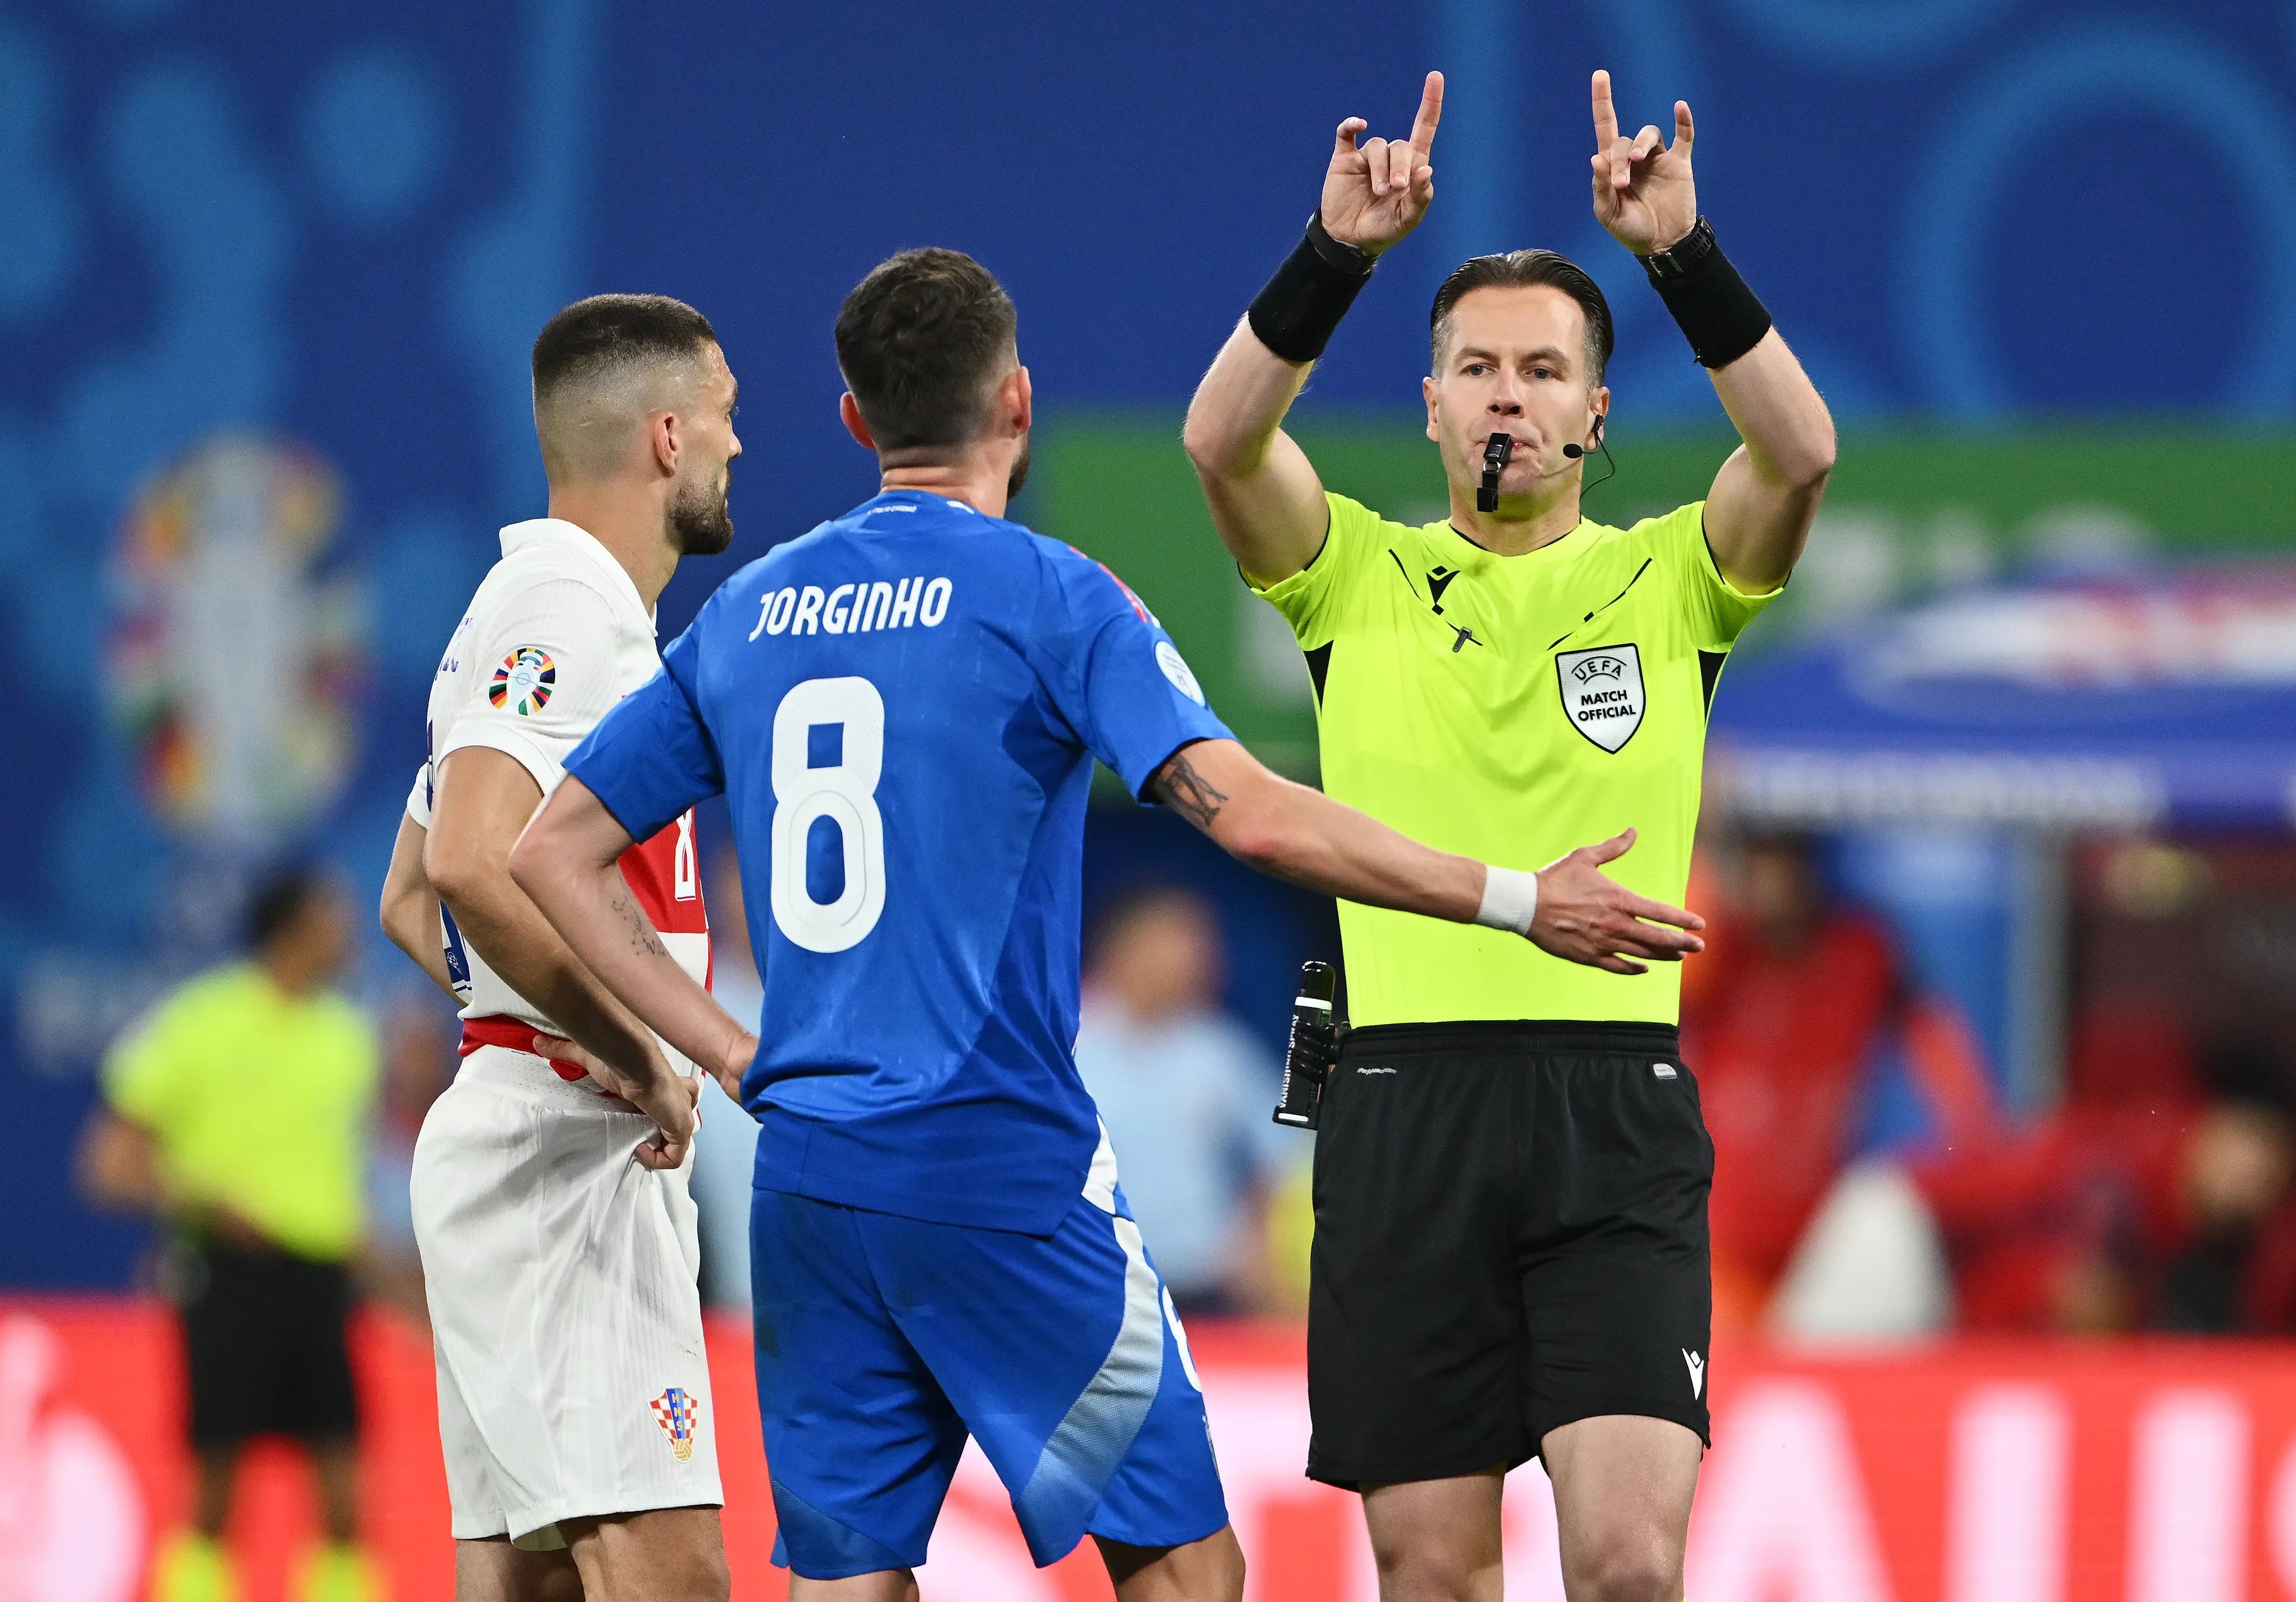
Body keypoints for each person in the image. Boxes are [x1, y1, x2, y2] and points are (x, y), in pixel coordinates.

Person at [503, 247, 1704, 1602]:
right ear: (1017, 402)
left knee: (846, 1578)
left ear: (853, 418)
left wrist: (732, 1053)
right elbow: (1252, 818)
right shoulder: (1049, 595)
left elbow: (548, 851)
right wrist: (1519, 897)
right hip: (995, 1162)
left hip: (809, 1175)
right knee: (1188, 1570)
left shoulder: (750, 610)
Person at [1180, 68, 1836, 1602]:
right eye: (1474, 367)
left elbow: (1799, 454)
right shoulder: (1350, 572)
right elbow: (1220, 440)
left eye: (1543, 370)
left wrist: (1679, 254)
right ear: (1429, 404)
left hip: (1615, 1111)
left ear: (1595, 412)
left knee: (1626, 1564)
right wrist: (1335, 256)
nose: (1506, 396)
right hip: (1404, 1105)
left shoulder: (1674, 576)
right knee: (1431, 1572)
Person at [375, 293, 739, 1602]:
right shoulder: (565, 603)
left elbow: (406, 900)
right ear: (664, 437)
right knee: (670, 1575)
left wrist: (527, 1021)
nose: (736, 445)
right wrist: (622, 1048)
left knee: (535, 1582)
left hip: (540, 1136)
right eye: (724, 415)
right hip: (566, 1155)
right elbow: (468, 866)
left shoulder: (533, 611)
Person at [78, 869, 382, 1602]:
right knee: (214, 1486)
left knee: (344, 1490)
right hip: (229, 1273)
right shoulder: (199, 1021)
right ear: (292, 928)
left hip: (321, 1282)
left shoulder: (349, 1038)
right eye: (334, 913)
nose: (350, 929)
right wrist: (203, 1201)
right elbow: (108, 1164)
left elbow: (340, 1177)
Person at [1074, 887, 1288, 1314]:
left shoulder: (1220, 1048)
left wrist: (1257, 1243)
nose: (1189, 958)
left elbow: (1282, 1155)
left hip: (1205, 1285)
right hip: (1094, 1282)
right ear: (1120, 948)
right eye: (1171, 940)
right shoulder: (1068, 1042)